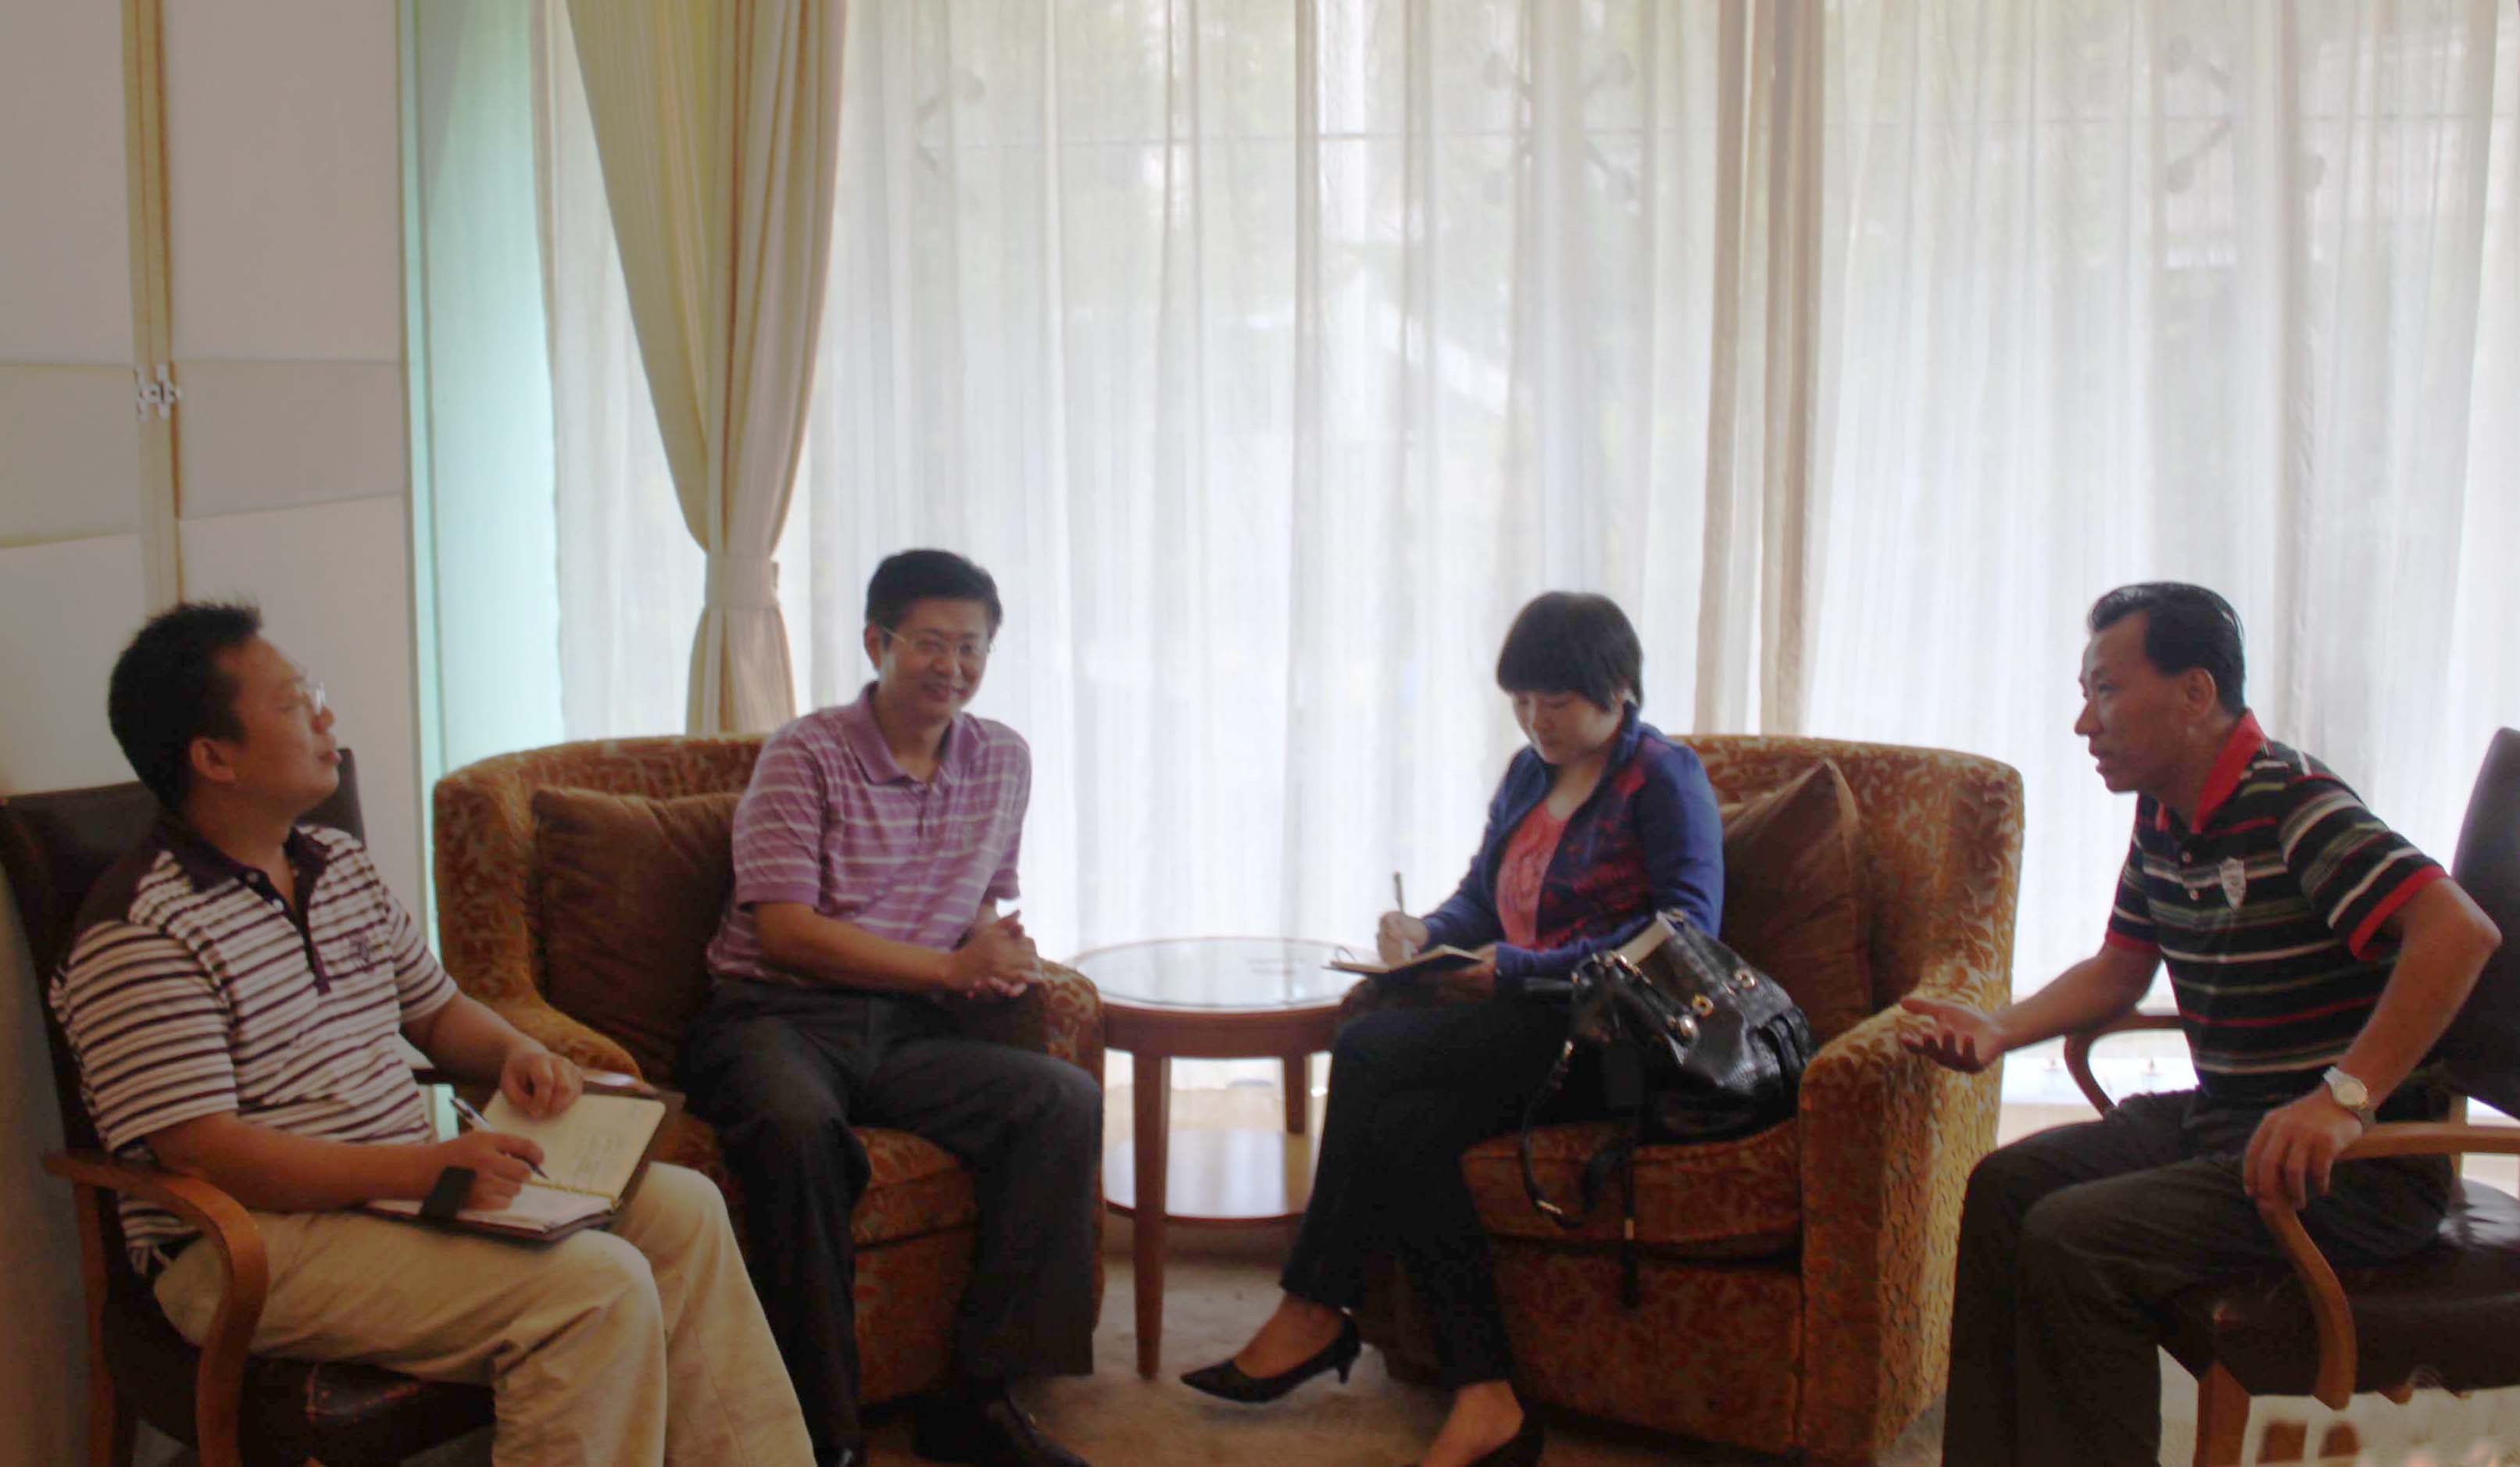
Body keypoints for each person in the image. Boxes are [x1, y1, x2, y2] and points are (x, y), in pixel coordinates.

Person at [51, 601, 812, 1467]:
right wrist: (423, 1170)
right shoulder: (141, 929)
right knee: (592, 1289)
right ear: (214, 757)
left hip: (395, 1193)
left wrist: (519, 1054)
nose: (326, 720)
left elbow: (439, 1013)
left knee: (684, 1211)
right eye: (295, 704)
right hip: (248, 1241)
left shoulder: (333, 864)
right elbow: (208, 1153)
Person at [1903, 582, 2502, 1467]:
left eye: (2106, 691)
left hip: (2354, 1169)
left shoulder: (2293, 803)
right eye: (2084, 694)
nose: (2084, 723)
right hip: (2231, 1122)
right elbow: (2120, 967)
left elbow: (2459, 931)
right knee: (2006, 1187)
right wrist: (1998, 1030)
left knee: (2076, 1238)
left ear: (2194, 693)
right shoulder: (2165, 811)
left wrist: (2341, 1100)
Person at [1183, 591, 1726, 1467]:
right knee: (1408, 1132)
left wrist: (1520, 969)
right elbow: (1482, 897)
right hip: (1521, 1028)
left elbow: (1685, 933)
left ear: (1618, 688)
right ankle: (1488, 1399)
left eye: (1556, 701)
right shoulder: (1528, 774)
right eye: (1522, 701)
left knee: (1365, 1048)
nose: (1536, 720)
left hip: (1614, 1040)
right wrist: (1426, 934)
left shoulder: (1663, 778)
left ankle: (1317, 1302)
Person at [679, 549, 1101, 1467]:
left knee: (1061, 1102)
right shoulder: (806, 754)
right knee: (797, 1130)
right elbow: (786, 933)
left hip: (909, 1028)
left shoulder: (1002, 760)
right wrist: (949, 969)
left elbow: (979, 895)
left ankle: (978, 1400)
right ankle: (822, 1432)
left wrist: (993, 954)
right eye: (930, 643)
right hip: (775, 1017)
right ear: (877, 642)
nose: (952, 667)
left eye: (972, 647)